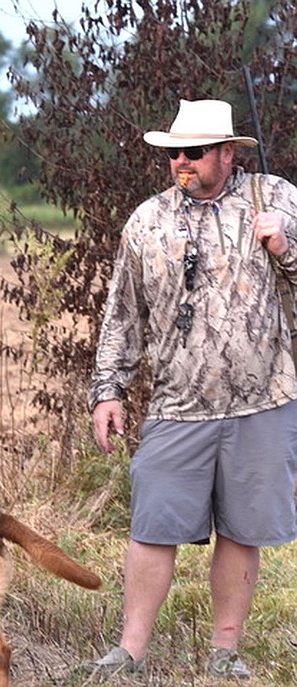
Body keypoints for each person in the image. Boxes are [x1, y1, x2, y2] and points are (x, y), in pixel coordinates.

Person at [84, 98, 297, 680]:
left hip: (264, 399)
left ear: (227, 154)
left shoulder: (276, 198)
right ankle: (128, 652)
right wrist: (108, 390)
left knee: (242, 528)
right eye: (173, 151)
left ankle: (224, 653)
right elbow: (122, 316)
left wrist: (285, 246)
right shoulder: (147, 221)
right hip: (177, 406)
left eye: (194, 151)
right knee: (154, 525)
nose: (181, 161)